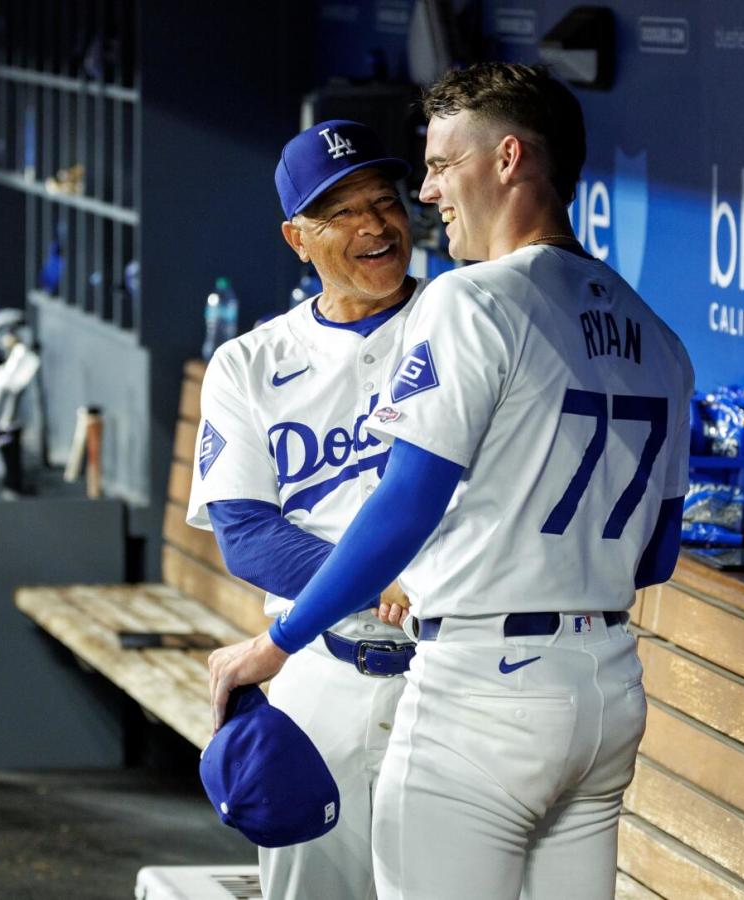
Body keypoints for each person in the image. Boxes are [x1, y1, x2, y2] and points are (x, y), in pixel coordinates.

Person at [207, 63, 694, 899]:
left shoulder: (470, 301)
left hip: (484, 689)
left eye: (436, 168)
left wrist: (277, 642)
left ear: (507, 159)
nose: (426, 194)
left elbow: (405, 503)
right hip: (607, 685)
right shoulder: (658, 334)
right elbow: (656, 558)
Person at [187, 119, 425, 900]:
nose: (374, 226)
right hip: (318, 675)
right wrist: (373, 580)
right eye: (343, 212)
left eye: (384, 201)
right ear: (297, 238)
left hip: (444, 673)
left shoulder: (462, 326)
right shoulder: (250, 362)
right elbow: (247, 536)